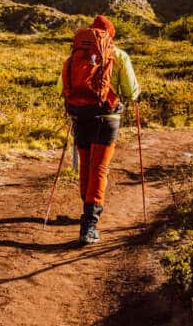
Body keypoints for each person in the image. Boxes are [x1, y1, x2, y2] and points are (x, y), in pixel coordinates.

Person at [57, 15, 140, 245]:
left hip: (80, 115)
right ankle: (89, 225)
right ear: (110, 35)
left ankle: (87, 207)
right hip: (107, 117)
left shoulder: (77, 53)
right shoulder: (119, 55)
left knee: (85, 163)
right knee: (100, 168)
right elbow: (131, 92)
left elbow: (61, 86)